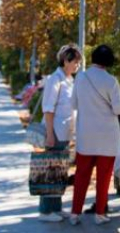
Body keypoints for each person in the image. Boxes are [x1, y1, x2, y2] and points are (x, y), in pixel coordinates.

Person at [69, 45, 120, 226]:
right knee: (103, 177)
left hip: (86, 136)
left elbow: (74, 104)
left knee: (81, 176)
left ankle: (75, 213)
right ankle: (100, 213)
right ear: (109, 61)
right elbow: (118, 109)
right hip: (107, 137)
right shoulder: (111, 81)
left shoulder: (81, 78)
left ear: (93, 58)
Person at [37, 44, 82, 223]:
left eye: (78, 62)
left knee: (60, 171)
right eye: (75, 62)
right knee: (51, 171)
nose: (77, 65)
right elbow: (48, 109)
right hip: (54, 132)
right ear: (65, 61)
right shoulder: (55, 79)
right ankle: (46, 211)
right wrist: (49, 134)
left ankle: (56, 207)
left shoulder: (68, 79)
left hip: (64, 133)